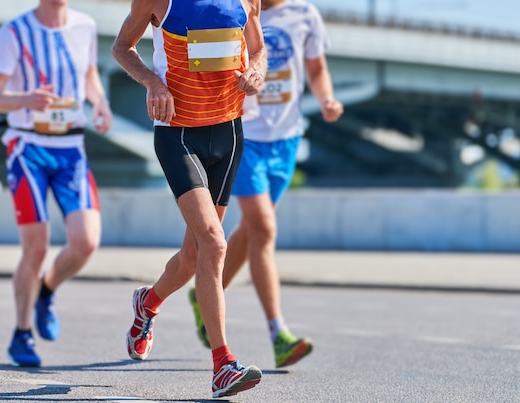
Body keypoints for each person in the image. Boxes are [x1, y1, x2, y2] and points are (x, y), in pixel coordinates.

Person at [110, 0, 267, 398]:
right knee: (214, 243)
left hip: (228, 134)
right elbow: (122, 48)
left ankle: (147, 303)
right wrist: (154, 83)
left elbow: (258, 48)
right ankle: (222, 366)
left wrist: (256, 72)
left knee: (194, 256)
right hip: (178, 133)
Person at [188, 0, 344, 368]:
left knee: (256, 229)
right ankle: (279, 335)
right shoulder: (233, 8)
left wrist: (327, 99)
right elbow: (205, 61)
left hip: (287, 140)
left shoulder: (305, 15)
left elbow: (317, 68)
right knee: (264, 227)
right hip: (245, 134)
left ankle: (207, 292)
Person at [0, 0, 113, 367]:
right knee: (36, 246)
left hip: (72, 147)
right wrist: (27, 99)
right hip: (28, 147)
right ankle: (22, 333)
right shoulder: (14, 31)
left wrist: (100, 102)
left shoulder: (85, 25)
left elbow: (89, 75)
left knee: (86, 242)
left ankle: (47, 289)